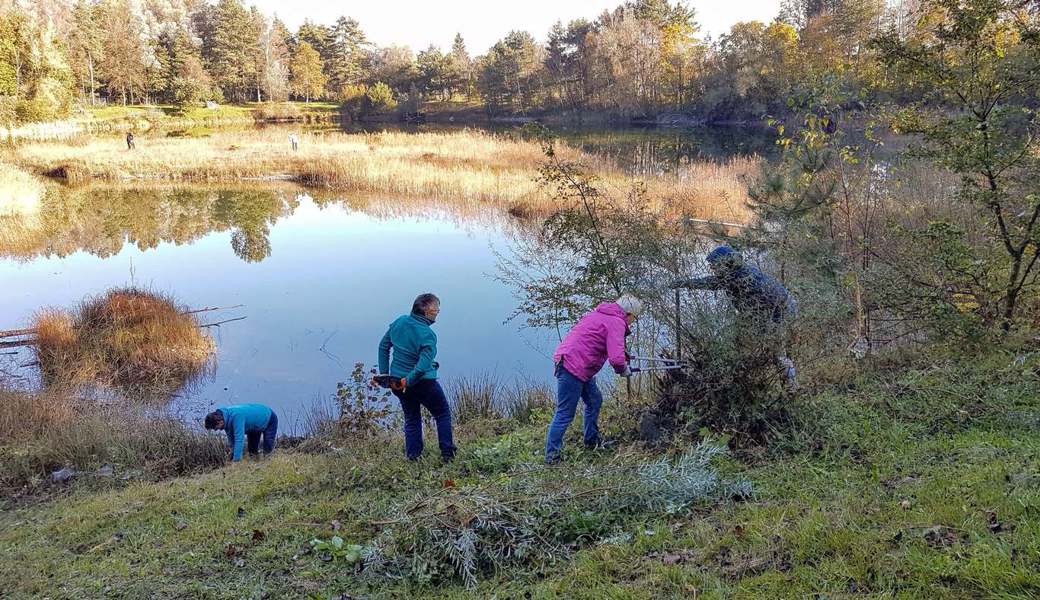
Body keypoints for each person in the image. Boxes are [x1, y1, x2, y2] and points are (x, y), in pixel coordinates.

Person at [669, 245, 797, 385]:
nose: (712, 269)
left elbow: (711, 283)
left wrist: (684, 283)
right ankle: (780, 384)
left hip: (775, 315)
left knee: (765, 351)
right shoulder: (742, 270)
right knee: (760, 348)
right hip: (776, 311)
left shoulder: (736, 277)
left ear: (725, 263)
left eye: (714, 265)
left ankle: (753, 382)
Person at [544, 294, 643, 464]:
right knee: (565, 413)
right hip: (573, 366)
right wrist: (623, 370)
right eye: (635, 317)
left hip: (574, 363)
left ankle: (591, 440)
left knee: (594, 400)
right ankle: (552, 457)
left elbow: (599, 341)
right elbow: (617, 360)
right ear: (629, 314)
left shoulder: (599, 314)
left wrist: (622, 355)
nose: (633, 321)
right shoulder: (617, 322)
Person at [377, 293, 456, 461]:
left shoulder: (399, 322)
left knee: (412, 418)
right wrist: (409, 381)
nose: (438, 312)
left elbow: (383, 346)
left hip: (397, 382)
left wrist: (385, 375)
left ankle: (413, 456)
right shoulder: (428, 334)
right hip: (422, 383)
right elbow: (422, 366)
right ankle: (448, 453)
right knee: (442, 413)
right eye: (436, 309)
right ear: (426, 312)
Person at [204, 403, 278, 462]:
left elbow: (239, 439)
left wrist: (236, 461)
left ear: (220, 422)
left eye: (216, 428)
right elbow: (231, 440)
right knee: (252, 450)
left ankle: (268, 464)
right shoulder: (225, 419)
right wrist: (232, 455)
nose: (217, 430)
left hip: (269, 418)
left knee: (267, 446)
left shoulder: (237, 416)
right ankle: (257, 466)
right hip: (253, 426)